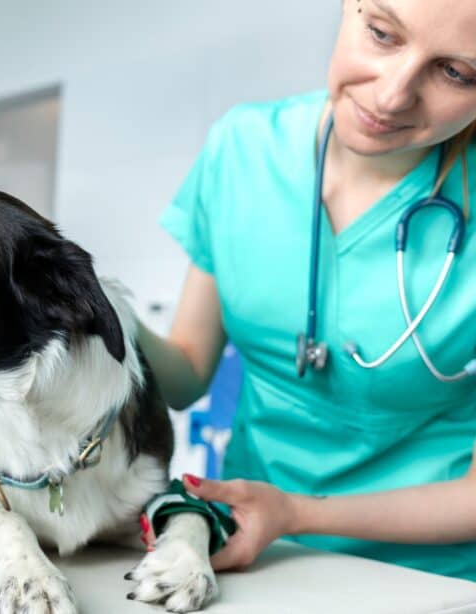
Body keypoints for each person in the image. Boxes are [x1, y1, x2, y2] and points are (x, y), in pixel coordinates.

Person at [139, 0, 476, 580]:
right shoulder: (242, 149)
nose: (393, 94)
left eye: (456, 73)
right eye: (382, 34)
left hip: (427, 578)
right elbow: (187, 372)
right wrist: (91, 303)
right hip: (251, 555)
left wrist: (295, 512)